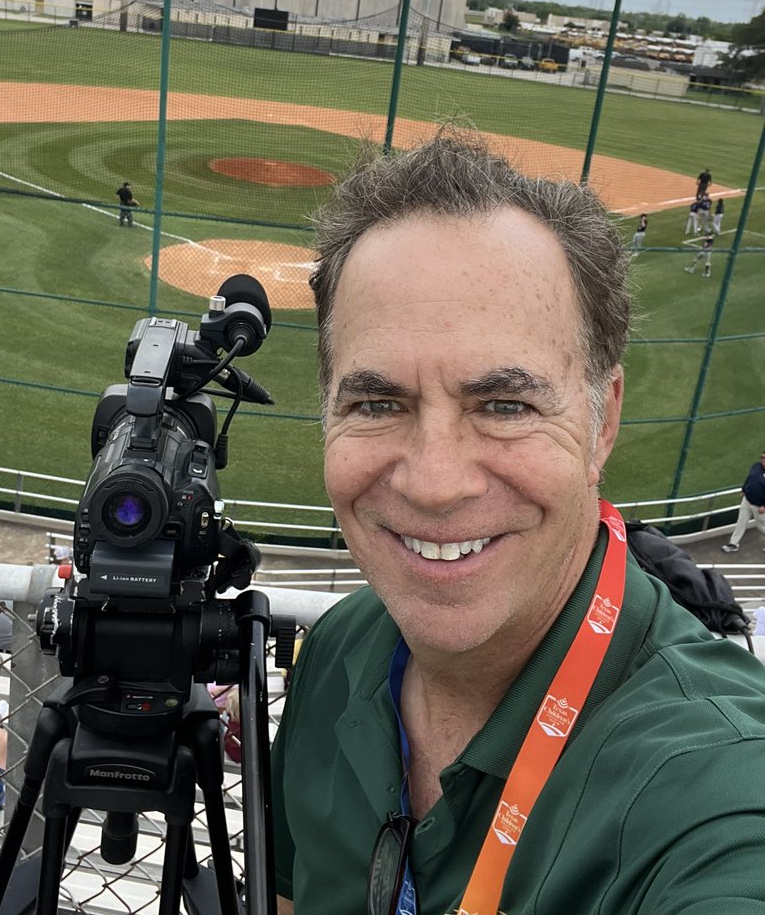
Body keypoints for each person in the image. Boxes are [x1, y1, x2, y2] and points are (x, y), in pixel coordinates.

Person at [270, 130, 765, 915]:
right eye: (377, 403)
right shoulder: (337, 651)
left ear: (603, 422)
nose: (435, 483)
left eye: (506, 405)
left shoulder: (719, 778)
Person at [721, 451, 765, 553]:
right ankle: (733, 543)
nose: (763, 460)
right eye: (762, 457)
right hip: (747, 501)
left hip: (759, 507)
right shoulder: (756, 466)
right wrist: (744, 489)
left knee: (762, 527)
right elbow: (749, 478)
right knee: (741, 521)